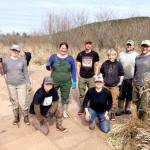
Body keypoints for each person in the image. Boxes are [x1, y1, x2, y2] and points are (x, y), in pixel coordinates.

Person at [46, 42, 76, 118]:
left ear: (67, 49)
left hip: (66, 82)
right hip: (54, 81)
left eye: (65, 48)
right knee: (52, 96)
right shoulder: (53, 57)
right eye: (62, 48)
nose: (63, 49)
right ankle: (52, 111)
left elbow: (73, 70)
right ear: (59, 48)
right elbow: (48, 65)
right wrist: (48, 66)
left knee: (65, 97)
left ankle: (64, 111)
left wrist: (74, 80)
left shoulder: (70, 58)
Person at [2, 44, 31, 125]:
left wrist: (28, 83)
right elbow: (2, 72)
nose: (15, 51)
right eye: (13, 50)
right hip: (10, 84)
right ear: (10, 50)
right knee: (14, 101)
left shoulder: (22, 60)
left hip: (22, 84)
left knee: (23, 102)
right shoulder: (5, 60)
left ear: (19, 52)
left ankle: (25, 117)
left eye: (17, 50)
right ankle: (16, 117)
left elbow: (25, 72)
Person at [76, 40, 100, 114]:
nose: (88, 45)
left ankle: (92, 107)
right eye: (87, 44)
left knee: (92, 92)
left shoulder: (95, 54)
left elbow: (96, 65)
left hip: (91, 76)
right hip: (82, 76)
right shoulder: (80, 54)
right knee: (82, 94)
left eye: (90, 44)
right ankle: (83, 106)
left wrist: (95, 75)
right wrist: (78, 75)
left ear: (91, 45)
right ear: (84, 45)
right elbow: (78, 65)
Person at [100, 49, 124, 121]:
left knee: (114, 101)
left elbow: (122, 74)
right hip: (105, 85)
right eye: (109, 55)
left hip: (114, 86)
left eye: (112, 55)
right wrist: (101, 81)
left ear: (115, 55)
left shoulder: (118, 64)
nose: (111, 57)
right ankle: (105, 113)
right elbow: (101, 73)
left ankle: (112, 113)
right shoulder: (105, 63)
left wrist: (120, 82)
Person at [116, 40, 139, 116]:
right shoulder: (121, 54)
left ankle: (128, 108)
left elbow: (138, 67)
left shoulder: (136, 55)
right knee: (121, 93)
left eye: (130, 45)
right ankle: (120, 109)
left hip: (132, 78)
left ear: (133, 46)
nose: (129, 46)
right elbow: (117, 66)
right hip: (122, 77)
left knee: (130, 94)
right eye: (128, 45)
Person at [134, 40, 150, 121]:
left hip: (146, 85)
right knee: (138, 104)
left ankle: (143, 124)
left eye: (146, 46)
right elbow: (135, 70)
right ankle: (139, 122)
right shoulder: (137, 57)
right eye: (143, 46)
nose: (145, 48)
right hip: (137, 83)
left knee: (144, 106)